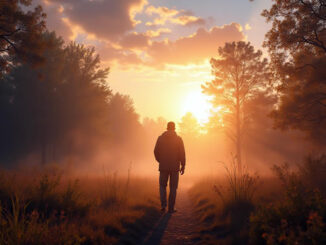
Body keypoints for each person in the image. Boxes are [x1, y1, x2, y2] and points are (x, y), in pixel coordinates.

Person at [154, 121, 186, 213]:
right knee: (173, 187)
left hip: (163, 166)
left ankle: (163, 206)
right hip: (175, 167)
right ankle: (171, 208)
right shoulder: (179, 139)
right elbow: (182, 154)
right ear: (174, 128)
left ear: (167, 128)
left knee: (162, 186)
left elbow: (155, 151)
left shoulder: (160, 138)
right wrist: (183, 165)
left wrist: (160, 160)